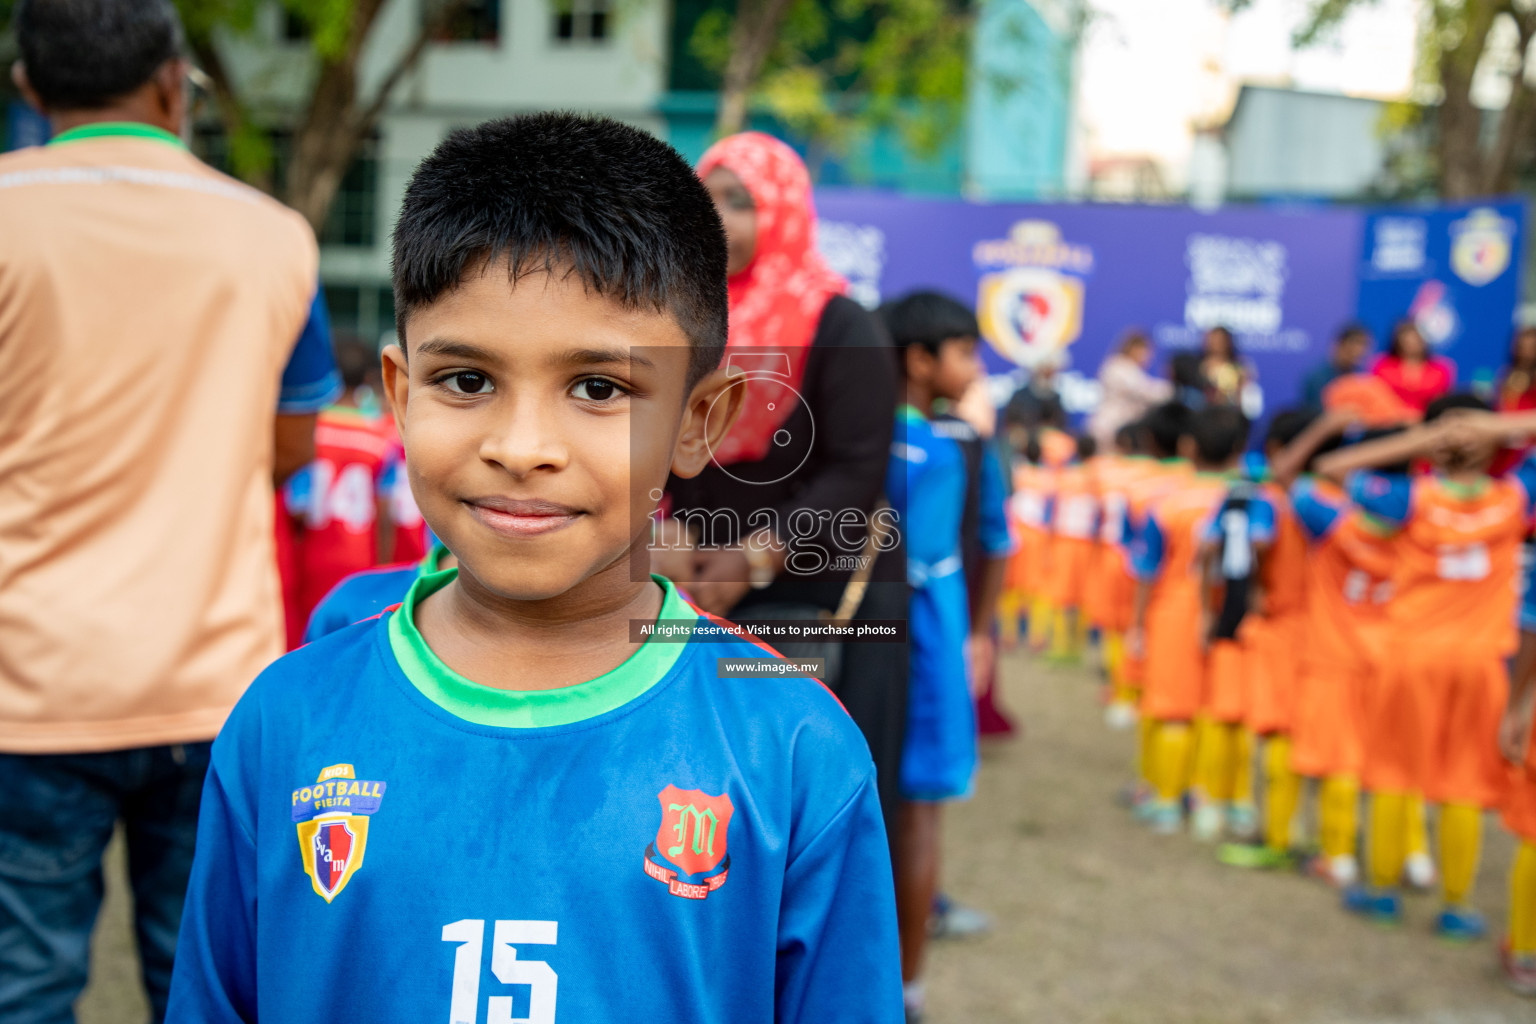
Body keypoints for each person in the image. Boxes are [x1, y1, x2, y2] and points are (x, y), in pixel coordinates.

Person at [164, 113, 902, 1022]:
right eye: (467, 381)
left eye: (599, 388)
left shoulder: (794, 753)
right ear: (400, 395)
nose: (522, 447)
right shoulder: (283, 720)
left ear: (698, 421)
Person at [0, 2, 339, 1019]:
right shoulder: (274, 237)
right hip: (215, 682)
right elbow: (292, 446)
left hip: (26, 683)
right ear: (171, 85)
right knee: (209, 985)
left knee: (25, 985)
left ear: (30, 89)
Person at [665, 131, 905, 850]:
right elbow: (649, 436)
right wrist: (665, 530)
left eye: (739, 202)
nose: (718, 220)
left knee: (812, 805)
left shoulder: (840, 323)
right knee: (708, 803)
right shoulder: (684, 320)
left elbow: (855, 471)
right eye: (703, 202)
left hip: (814, 595)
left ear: (786, 213)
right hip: (694, 587)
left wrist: (751, 559)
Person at [1314, 396, 1534, 938]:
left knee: (1393, 770)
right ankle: (1457, 904)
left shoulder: (1410, 498)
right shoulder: (1515, 498)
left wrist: (1421, 439)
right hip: (1482, 662)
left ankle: (1384, 891)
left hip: (1410, 657)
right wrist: (1498, 429)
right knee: (1464, 781)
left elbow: (1331, 470)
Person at [882, 292, 982, 1024]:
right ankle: (908, 992)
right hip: (924, 635)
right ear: (920, 360)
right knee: (919, 816)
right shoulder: (944, 450)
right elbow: (944, 552)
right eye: (966, 352)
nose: (975, 369)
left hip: (865, 638)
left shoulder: (851, 439)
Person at [1269, 413, 1399, 891]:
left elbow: (1284, 475)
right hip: (1393, 656)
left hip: (1335, 655)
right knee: (1390, 760)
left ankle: (1338, 853)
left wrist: (1324, 429)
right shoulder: (1423, 521)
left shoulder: (1335, 520)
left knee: (1339, 758)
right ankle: (1411, 856)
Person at [1129, 405, 1268, 835]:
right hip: (1237, 613)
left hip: (1175, 610)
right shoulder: (1253, 498)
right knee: (1224, 711)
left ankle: (1167, 801)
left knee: (1174, 710)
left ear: (1190, 446)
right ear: (1240, 449)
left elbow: (1146, 569)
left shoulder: (1164, 500)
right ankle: (1228, 800)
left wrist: (1136, 624)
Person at [283, 333, 397, 629]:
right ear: (369, 378)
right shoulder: (380, 438)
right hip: (360, 562)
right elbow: (386, 512)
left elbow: (297, 506)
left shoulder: (309, 435)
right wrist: (384, 565)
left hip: (309, 561)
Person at [1089, 329, 1173, 449]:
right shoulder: (1118, 367)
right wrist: (1174, 389)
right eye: (1144, 350)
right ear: (1133, 348)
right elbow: (1145, 391)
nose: (1148, 356)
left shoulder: (1133, 371)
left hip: (1122, 429)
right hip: (1110, 428)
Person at [1369, 320, 1454, 414]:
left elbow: (1441, 402)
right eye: (1407, 339)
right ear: (1398, 341)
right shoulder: (1382, 365)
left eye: (1416, 339)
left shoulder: (1440, 369)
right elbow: (1376, 397)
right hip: (1389, 420)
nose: (1411, 343)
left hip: (1429, 422)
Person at [1301, 323, 1372, 410]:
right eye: (1355, 344)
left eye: (1364, 345)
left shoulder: (1362, 376)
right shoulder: (1318, 377)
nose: (1360, 350)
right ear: (1340, 344)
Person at [1201, 326, 1258, 412]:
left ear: (1228, 341)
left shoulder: (1239, 367)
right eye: (1214, 339)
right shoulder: (1199, 366)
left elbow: (1247, 393)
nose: (1217, 343)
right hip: (1203, 415)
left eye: (1221, 340)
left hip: (1231, 415)